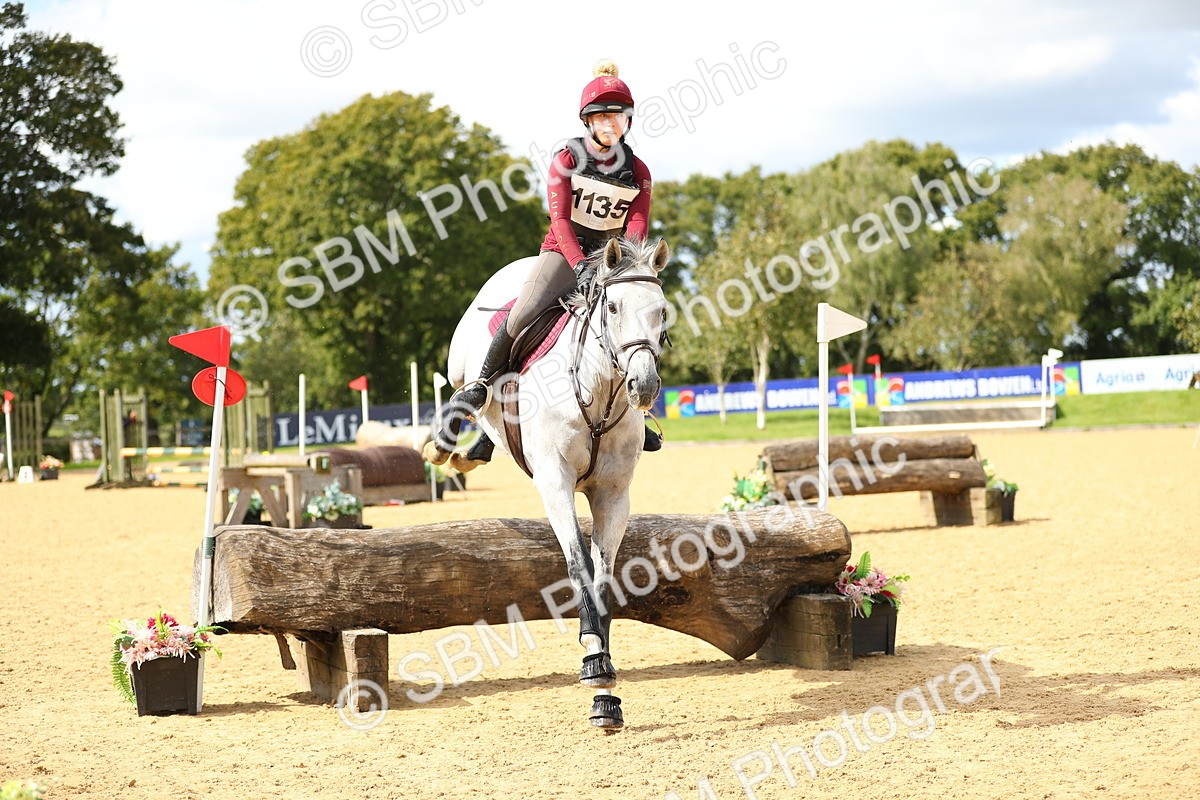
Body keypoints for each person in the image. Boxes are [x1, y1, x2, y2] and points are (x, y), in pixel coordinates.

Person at [427, 60, 660, 470]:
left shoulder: (638, 171)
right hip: (564, 251)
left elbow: (637, 227)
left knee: (637, 321)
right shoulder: (567, 158)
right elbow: (561, 221)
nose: (611, 123)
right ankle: (480, 387)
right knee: (525, 314)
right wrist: (577, 263)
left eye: (618, 117)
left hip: (609, 260)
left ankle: (641, 411)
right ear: (588, 120)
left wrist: (627, 265)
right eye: (602, 116)